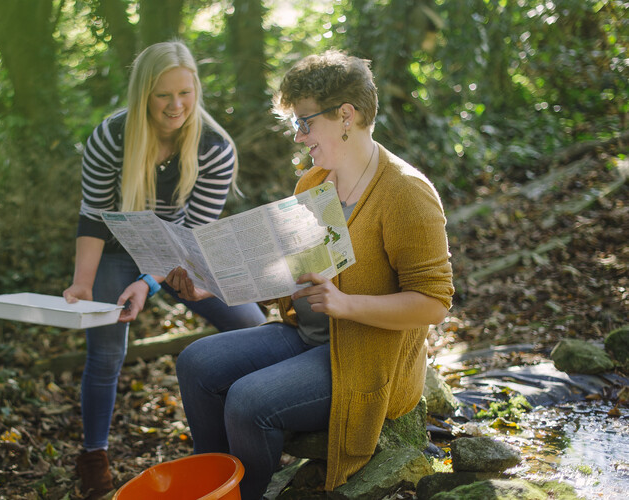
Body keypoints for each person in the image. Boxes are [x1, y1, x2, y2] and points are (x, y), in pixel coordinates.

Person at [167, 49, 454, 499]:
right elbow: (295, 276)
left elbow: (434, 303)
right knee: (196, 362)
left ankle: (250, 494)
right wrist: (218, 284)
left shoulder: (406, 193)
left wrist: (346, 304)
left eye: (305, 122)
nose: (299, 138)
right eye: (295, 125)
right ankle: (217, 488)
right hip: (310, 336)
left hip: (368, 356)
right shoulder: (312, 183)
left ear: (346, 115)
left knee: (248, 399)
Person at [62, 41, 266, 499]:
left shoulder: (215, 148)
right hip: (116, 249)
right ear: (142, 94)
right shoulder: (110, 137)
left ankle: (258, 430)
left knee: (253, 324)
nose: (176, 106)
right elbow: (92, 216)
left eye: (185, 93)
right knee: (106, 350)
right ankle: (93, 455)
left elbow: (192, 239)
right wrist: (82, 281)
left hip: (181, 253)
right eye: (162, 95)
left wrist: (148, 283)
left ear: (196, 90)